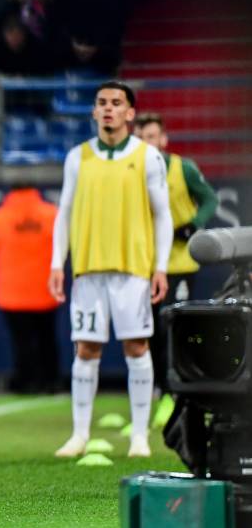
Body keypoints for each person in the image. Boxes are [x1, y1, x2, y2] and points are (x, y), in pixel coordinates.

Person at [49, 81, 172, 459]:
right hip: (88, 268)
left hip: (132, 268)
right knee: (85, 349)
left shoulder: (148, 157)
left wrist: (160, 267)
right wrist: (58, 262)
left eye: (116, 103)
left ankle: (139, 436)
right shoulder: (78, 157)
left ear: (130, 113)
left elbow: (162, 214)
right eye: (102, 102)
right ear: (94, 110)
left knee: (137, 346)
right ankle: (79, 435)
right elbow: (65, 212)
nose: (108, 109)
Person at [133, 112, 218, 428]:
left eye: (152, 137)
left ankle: (177, 397)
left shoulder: (183, 168)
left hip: (179, 263)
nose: (147, 143)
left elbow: (210, 199)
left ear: (163, 139)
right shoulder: (132, 171)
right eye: (141, 138)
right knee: (148, 331)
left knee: (174, 330)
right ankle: (158, 392)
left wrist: (195, 224)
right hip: (143, 263)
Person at [0, 184, 60, 394]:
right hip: (45, 289)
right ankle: (51, 380)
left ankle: (26, 381)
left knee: (21, 341)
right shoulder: (52, 214)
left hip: (12, 292)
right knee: (47, 338)